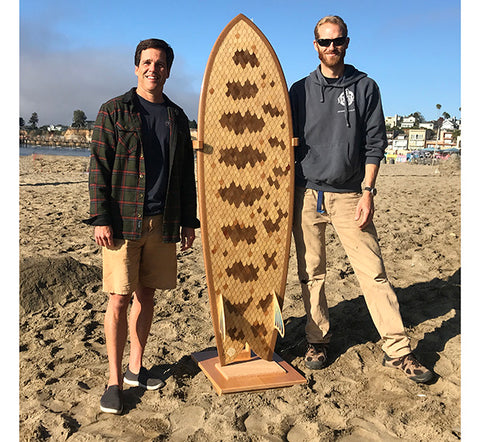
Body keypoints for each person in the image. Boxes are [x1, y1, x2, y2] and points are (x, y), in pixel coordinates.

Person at [289, 16, 433, 383]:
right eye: (324, 42)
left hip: (351, 195)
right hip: (306, 196)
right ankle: (317, 340)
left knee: (373, 272)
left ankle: (398, 349)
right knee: (311, 275)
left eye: (337, 42)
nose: (331, 48)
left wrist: (367, 192)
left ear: (347, 43)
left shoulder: (365, 86)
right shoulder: (298, 90)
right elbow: (280, 142)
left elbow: (375, 144)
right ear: (315, 45)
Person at [84, 38, 200, 414]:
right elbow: (98, 168)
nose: (154, 68)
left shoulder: (177, 117)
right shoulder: (114, 111)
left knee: (147, 296)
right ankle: (114, 381)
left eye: (161, 63)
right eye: (147, 62)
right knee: (118, 298)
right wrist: (101, 216)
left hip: (163, 221)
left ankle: (136, 368)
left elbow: (185, 174)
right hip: (122, 222)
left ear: (168, 70)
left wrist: (188, 220)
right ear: (137, 67)